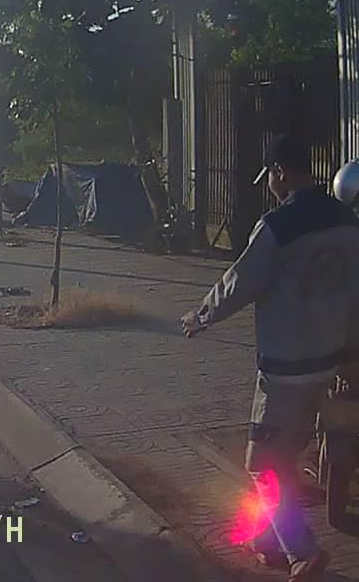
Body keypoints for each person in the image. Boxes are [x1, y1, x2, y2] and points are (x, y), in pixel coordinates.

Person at [181, 134, 359, 581]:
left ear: (280, 172)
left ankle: (301, 550)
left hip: (285, 369)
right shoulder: (347, 220)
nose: (270, 186)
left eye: (270, 177)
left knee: (263, 465)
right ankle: (268, 540)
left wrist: (201, 316)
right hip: (329, 360)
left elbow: (240, 281)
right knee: (289, 450)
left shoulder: (277, 226)